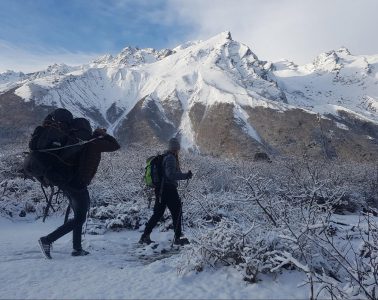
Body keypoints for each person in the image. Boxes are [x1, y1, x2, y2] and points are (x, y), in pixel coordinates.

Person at [38, 114, 120, 259]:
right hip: (78, 183)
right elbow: (116, 146)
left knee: (78, 215)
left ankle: (77, 248)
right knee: (80, 218)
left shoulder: (76, 141)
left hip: (67, 182)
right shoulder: (94, 143)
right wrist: (103, 135)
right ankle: (47, 240)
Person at [139, 137, 193, 246]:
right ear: (175, 148)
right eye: (177, 148)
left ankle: (145, 236)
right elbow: (170, 175)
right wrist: (186, 176)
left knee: (158, 214)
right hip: (169, 190)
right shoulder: (171, 158)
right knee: (176, 211)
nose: (178, 150)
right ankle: (178, 238)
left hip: (160, 190)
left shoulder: (164, 157)